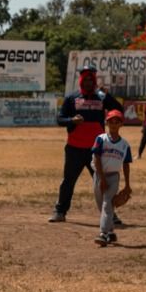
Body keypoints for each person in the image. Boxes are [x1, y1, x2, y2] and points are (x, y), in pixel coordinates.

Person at [49, 65, 123, 223]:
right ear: (81, 80)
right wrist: (72, 121)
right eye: (86, 78)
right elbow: (59, 119)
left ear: (95, 80)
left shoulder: (101, 98)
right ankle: (60, 211)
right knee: (68, 181)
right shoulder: (71, 98)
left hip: (96, 150)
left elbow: (119, 110)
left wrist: (108, 96)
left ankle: (110, 214)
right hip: (74, 148)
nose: (89, 81)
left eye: (92, 79)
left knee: (102, 182)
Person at [92, 110, 133, 246]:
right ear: (107, 122)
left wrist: (127, 185)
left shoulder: (125, 145)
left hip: (114, 177)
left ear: (121, 124)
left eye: (117, 121)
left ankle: (103, 234)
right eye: (111, 121)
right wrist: (102, 178)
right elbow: (97, 158)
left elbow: (126, 164)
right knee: (101, 206)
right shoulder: (101, 139)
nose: (114, 124)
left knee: (107, 204)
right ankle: (110, 232)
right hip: (99, 175)